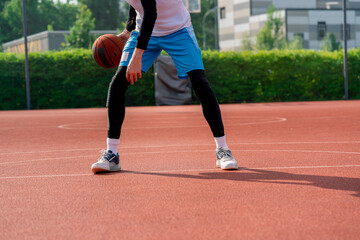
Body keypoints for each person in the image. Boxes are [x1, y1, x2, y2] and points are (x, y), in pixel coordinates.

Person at [91, 0, 238, 173]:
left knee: (200, 83)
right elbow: (136, 3)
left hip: (178, 30)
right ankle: (112, 154)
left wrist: (137, 55)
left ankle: (223, 149)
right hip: (144, 32)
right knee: (118, 84)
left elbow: (151, 12)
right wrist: (128, 29)